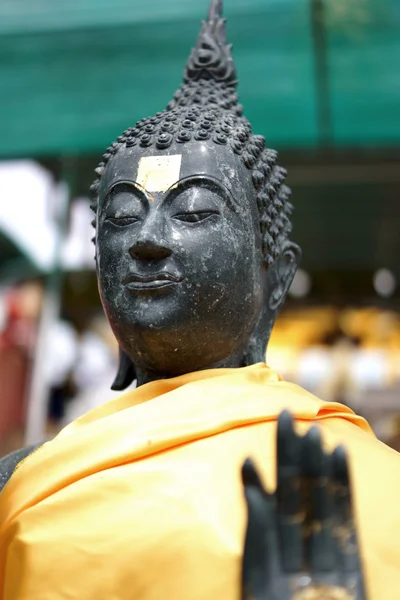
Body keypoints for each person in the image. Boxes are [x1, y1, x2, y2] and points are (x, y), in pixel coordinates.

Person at [0, 1, 399, 598]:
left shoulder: (364, 482)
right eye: (122, 218)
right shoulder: (20, 483)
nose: (148, 241)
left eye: (194, 211)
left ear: (277, 277)